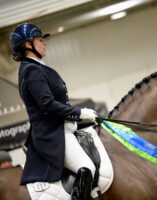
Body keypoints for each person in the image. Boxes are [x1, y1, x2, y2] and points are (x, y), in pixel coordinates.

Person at [9, 23, 97, 200]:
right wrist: (79, 113)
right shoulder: (32, 70)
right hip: (51, 133)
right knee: (87, 167)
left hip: (62, 127)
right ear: (28, 45)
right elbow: (47, 104)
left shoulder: (36, 66)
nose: (45, 43)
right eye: (40, 40)